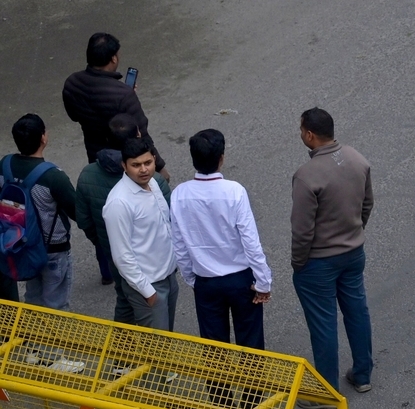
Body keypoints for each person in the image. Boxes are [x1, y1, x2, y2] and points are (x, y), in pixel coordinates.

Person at [291, 107, 374, 399]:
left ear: (310, 135)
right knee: (356, 311)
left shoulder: (306, 176)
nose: (301, 135)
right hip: (353, 253)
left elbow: (302, 230)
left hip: (319, 262)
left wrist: (299, 263)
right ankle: (362, 374)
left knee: (323, 322)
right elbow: (367, 204)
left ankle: (326, 391)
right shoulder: (357, 159)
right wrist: (354, 232)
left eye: (301, 131)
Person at [170, 129, 271, 349]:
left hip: (205, 281)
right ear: (221, 158)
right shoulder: (234, 191)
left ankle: (218, 385)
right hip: (241, 281)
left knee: (214, 349)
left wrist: (192, 279)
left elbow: (179, 245)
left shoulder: (179, 194)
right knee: (251, 344)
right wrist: (263, 281)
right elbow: (250, 241)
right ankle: (253, 385)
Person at [3, 115, 79, 310]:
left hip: (21, 242)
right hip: (53, 248)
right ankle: (54, 341)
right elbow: (77, 211)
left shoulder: (5, 165)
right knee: (57, 306)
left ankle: (32, 337)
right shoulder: (53, 176)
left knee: (33, 301)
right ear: (43, 138)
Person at [60, 32, 165, 174]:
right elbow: (142, 135)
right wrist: (160, 166)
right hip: (124, 161)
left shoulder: (72, 83)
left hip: (95, 155)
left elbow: (74, 116)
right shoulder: (123, 95)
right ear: (113, 58)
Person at [104, 137, 179, 330]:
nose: (143, 169)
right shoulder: (119, 203)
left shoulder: (153, 184)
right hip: (149, 287)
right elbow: (122, 256)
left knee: (167, 340)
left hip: (168, 278)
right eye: (136, 165)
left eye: (147, 163)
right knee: (156, 350)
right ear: (124, 166)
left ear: (154, 159)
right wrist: (149, 293)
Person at [76, 114, 154, 287]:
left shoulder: (87, 174)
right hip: (147, 252)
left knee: (123, 295)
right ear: (138, 136)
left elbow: (83, 218)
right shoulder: (149, 175)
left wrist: (99, 239)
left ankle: (107, 275)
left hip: (107, 245)